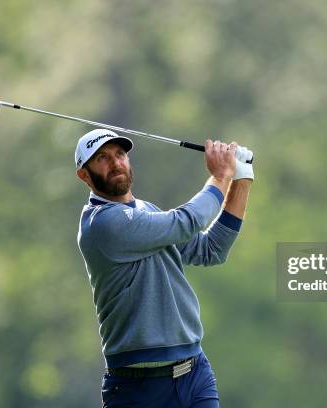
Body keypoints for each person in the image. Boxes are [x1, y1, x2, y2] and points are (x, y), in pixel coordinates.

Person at [75, 128, 253, 407]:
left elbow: (212, 250)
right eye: (102, 158)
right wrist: (221, 176)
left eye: (120, 154)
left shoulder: (148, 211)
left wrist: (241, 179)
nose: (115, 162)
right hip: (137, 388)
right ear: (84, 175)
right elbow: (187, 220)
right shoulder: (101, 224)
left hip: (194, 374)